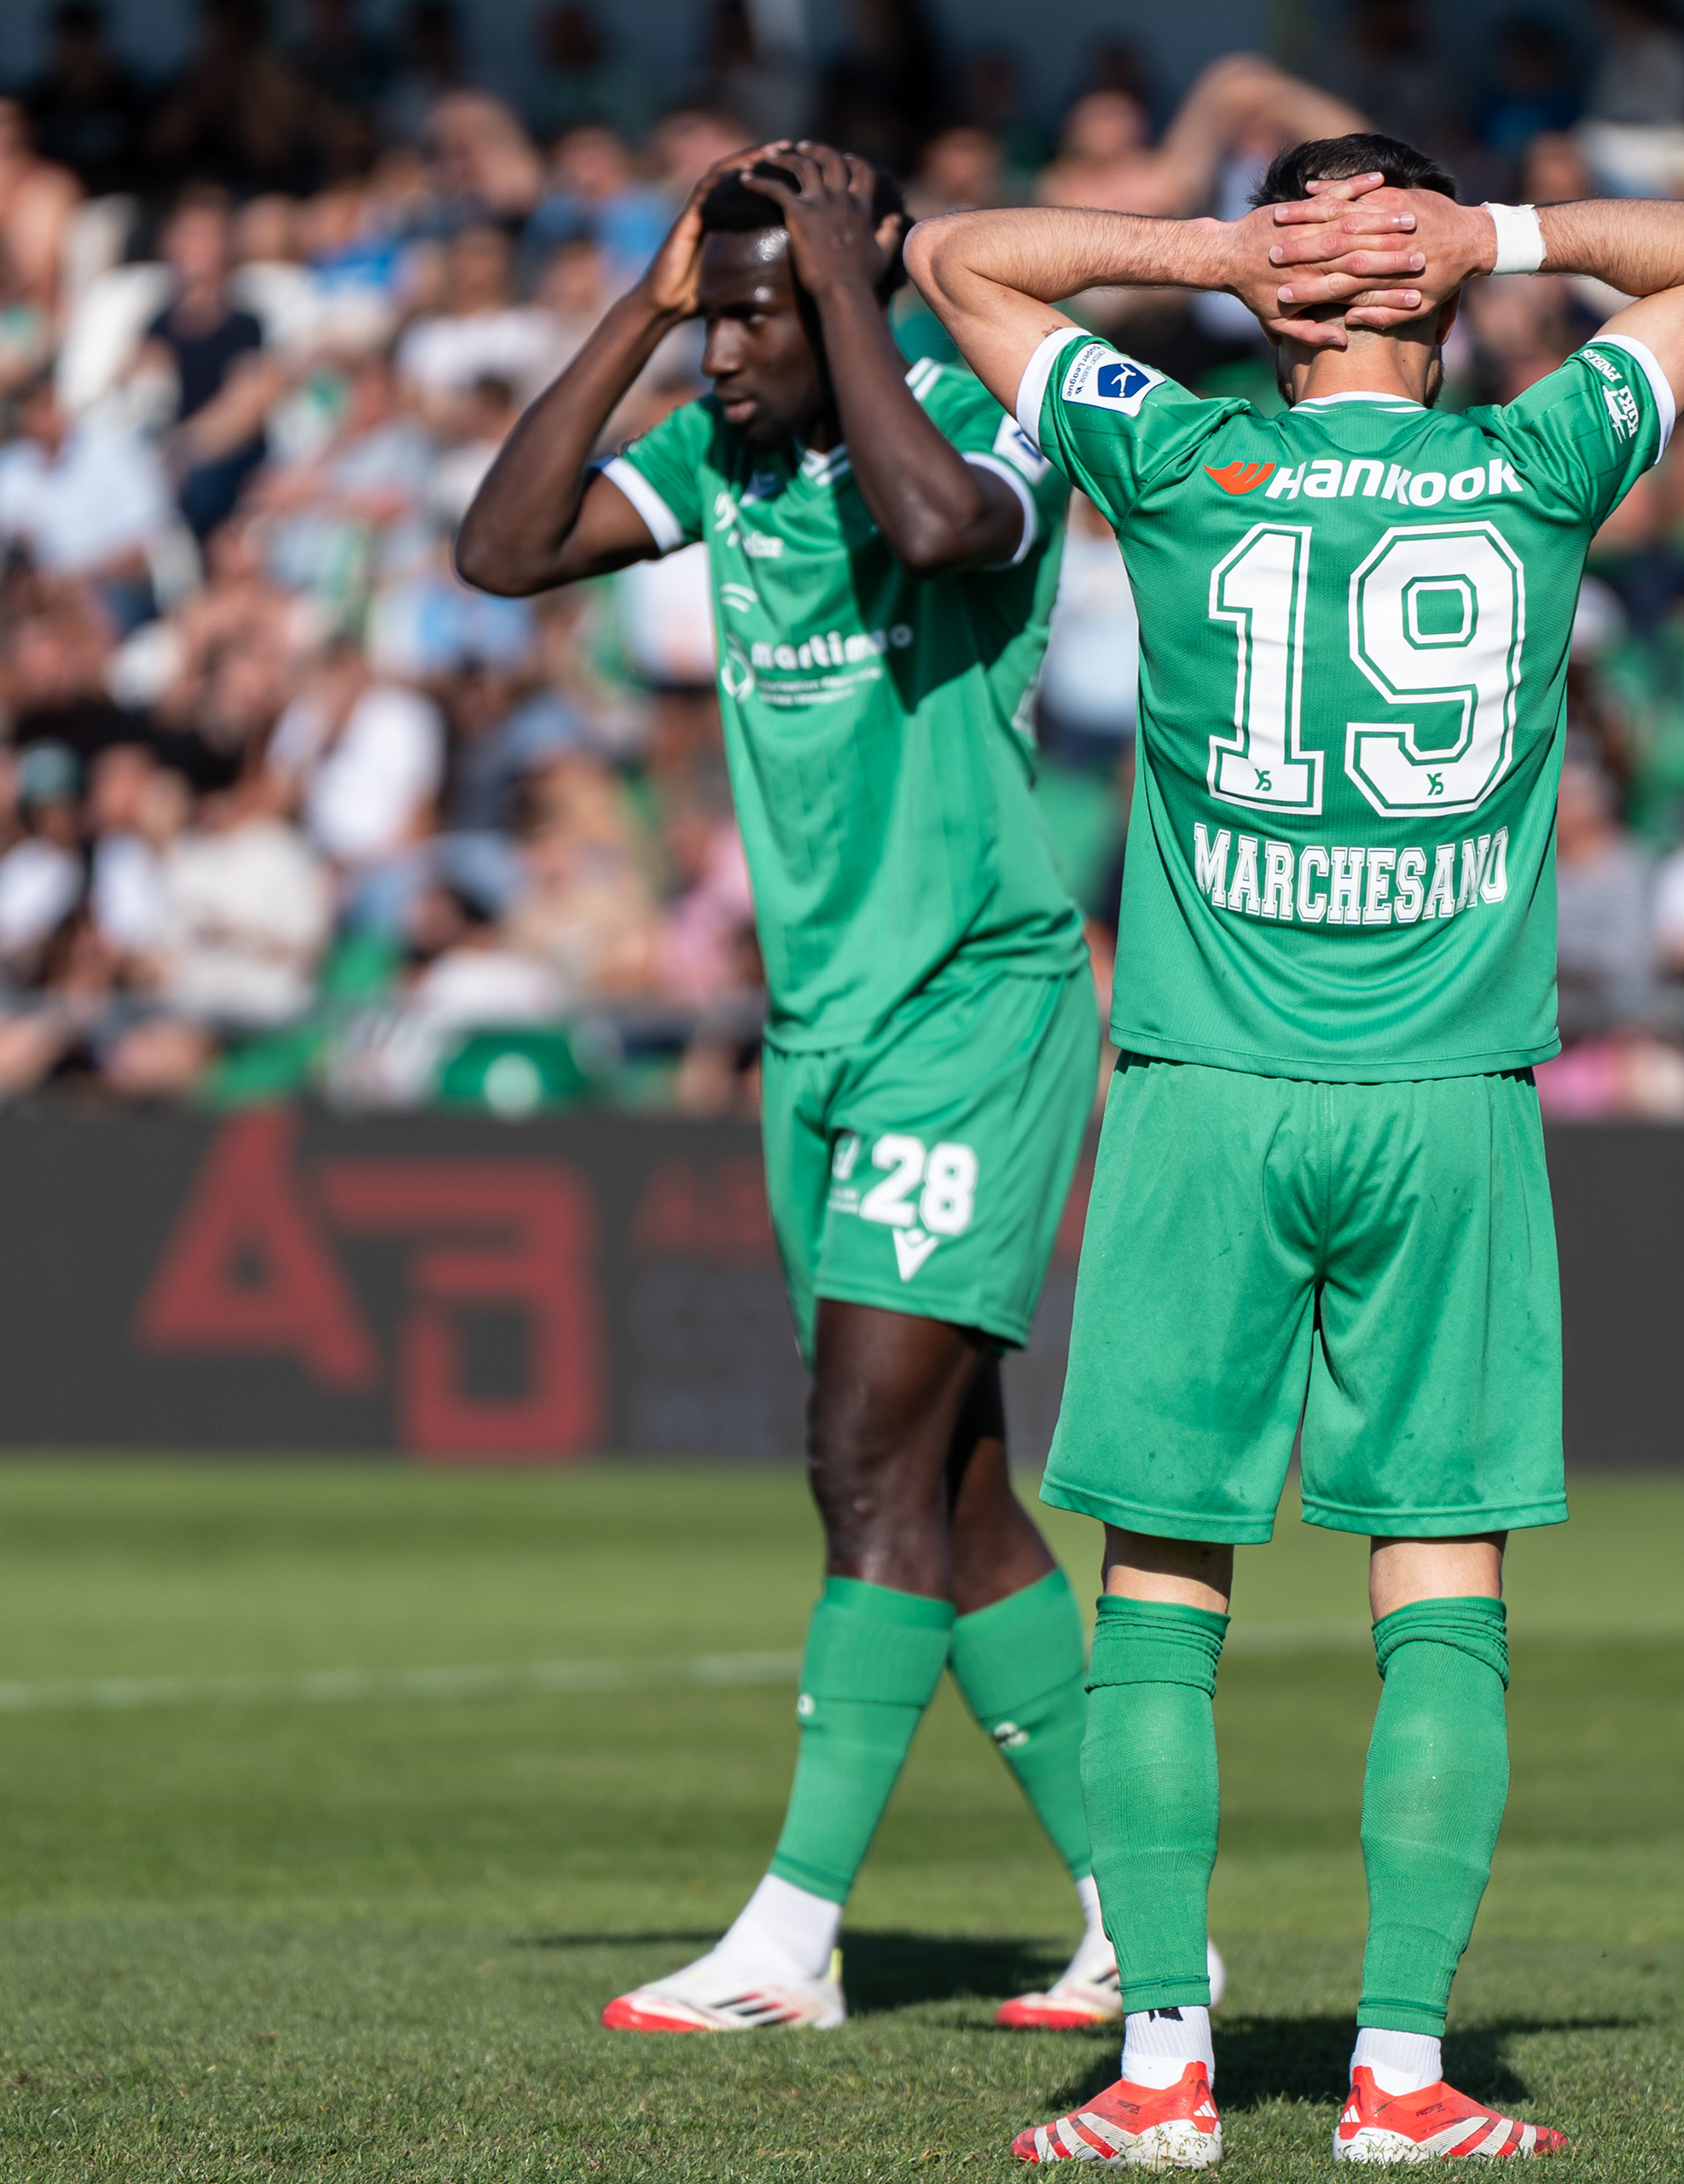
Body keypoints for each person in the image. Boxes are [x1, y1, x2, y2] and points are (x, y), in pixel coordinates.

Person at [908, 129, 1684, 2164]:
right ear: (1441, 295)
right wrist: (1500, 236)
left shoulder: (1183, 456)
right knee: (1440, 1582)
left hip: (1205, 1084)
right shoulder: (1533, 464)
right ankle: (1399, 2072)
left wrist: (1219, 253)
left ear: (1286, 301)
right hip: (1449, 1100)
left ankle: (1162, 2071)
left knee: (1160, 1584)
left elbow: (956, 260)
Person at [452, 142, 1132, 2037]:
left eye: (758, 318)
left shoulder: (984, 423)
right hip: (819, 1034)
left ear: (844, 293)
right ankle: (1142, 1921)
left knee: (857, 1458)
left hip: (971, 1009)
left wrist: (848, 294)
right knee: (952, 1485)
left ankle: (790, 1939)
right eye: (718, 319)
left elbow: (936, 530)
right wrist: (647, 304)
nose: (728, 356)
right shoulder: (721, 460)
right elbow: (502, 550)